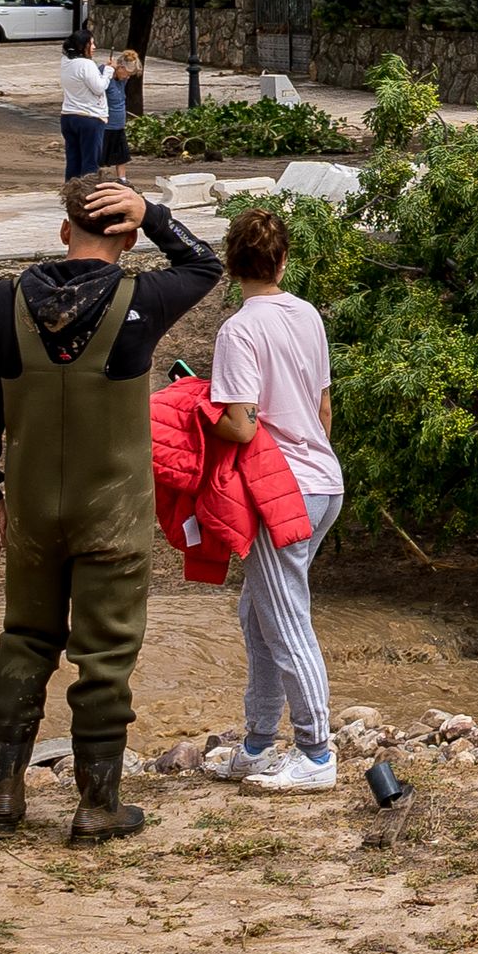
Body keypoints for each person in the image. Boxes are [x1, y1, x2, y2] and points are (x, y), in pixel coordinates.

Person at [0, 177, 223, 841]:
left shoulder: (3, 302)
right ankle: (97, 805)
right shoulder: (141, 300)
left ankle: (3, 797)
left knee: (24, 638)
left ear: (61, 232)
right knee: (105, 655)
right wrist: (155, 212)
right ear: (128, 236)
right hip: (112, 514)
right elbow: (204, 264)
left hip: (30, 513)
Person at [203, 207, 344, 793]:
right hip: (323, 483)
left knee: (284, 617)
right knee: (258, 611)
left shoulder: (239, 330)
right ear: (283, 260)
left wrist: (197, 418)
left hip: (278, 492)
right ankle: (259, 741)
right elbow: (324, 409)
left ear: (232, 264)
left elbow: (237, 424)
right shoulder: (306, 314)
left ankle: (315, 752)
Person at [59, 29, 114, 180]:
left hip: (68, 117)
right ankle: (88, 197)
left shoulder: (66, 62)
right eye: (91, 43)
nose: (94, 47)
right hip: (89, 118)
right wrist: (108, 71)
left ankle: (71, 196)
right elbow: (99, 88)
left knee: (73, 161)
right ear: (83, 45)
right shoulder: (86, 64)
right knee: (90, 162)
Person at [103, 51, 141, 182]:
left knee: (122, 155)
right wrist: (107, 69)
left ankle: (122, 179)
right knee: (101, 154)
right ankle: (94, 178)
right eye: (127, 74)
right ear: (120, 67)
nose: (128, 78)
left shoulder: (122, 80)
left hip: (119, 125)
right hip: (106, 125)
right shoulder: (106, 77)